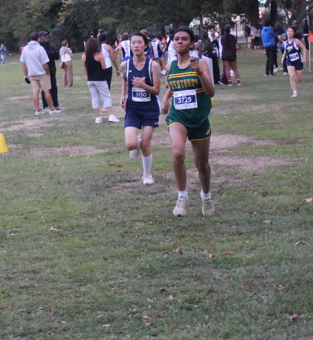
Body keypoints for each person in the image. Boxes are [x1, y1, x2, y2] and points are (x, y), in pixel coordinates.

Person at [163, 27, 216, 217]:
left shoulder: (200, 63)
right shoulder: (170, 67)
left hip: (199, 118)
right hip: (178, 116)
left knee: (201, 163)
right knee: (178, 153)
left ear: (191, 43)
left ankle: (206, 196)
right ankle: (182, 196)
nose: (179, 41)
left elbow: (211, 92)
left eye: (184, 39)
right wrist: (166, 99)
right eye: (176, 39)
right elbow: (174, 86)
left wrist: (199, 72)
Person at [120, 32, 162, 185]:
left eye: (139, 42)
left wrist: (144, 85)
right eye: (133, 43)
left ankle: (147, 175)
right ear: (130, 46)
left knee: (145, 144)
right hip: (132, 109)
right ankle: (137, 141)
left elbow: (156, 90)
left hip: (150, 109)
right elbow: (125, 80)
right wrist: (123, 96)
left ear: (145, 45)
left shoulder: (153, 65)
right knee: (131, 145)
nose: (136, 45)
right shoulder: (125, 65)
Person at [20, 32, 59, 115]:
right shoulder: (40, 48)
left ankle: (37, 110)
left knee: (35, 91)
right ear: (38, 38)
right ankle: (51, 109)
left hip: (32, 73)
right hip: (42, 73)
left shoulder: (25, 49)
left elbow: (23, 63)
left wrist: (26, 74)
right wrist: (47, 72)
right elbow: (45, 63)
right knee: (46, 91)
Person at [83, 36, 118, 123]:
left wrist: (89, 76)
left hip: (90, 79)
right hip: (100, 79)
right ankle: (111, 115)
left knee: (94, 98)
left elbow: (86, 70)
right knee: (106, 96)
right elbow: (104, 67)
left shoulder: (84, 56)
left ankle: (97, 117)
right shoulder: (99, 55)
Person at [37, 31, 61, 110]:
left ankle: (56, 104)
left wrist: (51, 54)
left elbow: (57, 56)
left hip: (52, 71)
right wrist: (51, 54)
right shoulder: (40, 48)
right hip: (44, 71)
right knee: (46, 89)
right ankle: (46, 105)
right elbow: (47, 56)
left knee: (54, 88)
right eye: (44, 36)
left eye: (47, 36)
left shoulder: (50, 47)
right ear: (39, 38)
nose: (46, 37)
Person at [281, 26, 307, 97]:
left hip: (298, 61)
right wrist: (283, 56)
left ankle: (297, 72)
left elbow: (304, 48)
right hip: (289, 61)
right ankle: (294, 92)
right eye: (288, 31)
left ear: (294, 33)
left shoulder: (296, 41)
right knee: (292, 76)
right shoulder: (285, 42)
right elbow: (286, 50)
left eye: (291, 31)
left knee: (299, 79)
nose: (289, 32)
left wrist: (304, 58)